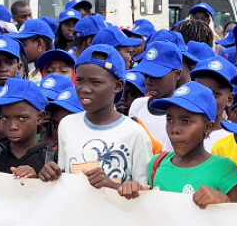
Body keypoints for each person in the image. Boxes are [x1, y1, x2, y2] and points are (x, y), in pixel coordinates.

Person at [38, 45, 152, 188]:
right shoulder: (67, 125)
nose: (85, 89)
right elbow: (65, 175)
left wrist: (112, 186)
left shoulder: (135, 133)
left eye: (95, 82)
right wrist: (49, 174)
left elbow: (145, 192)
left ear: (117, 86)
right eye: (79, 80)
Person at [118, 81, 237, 206]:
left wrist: (224, 201)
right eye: (169, 120)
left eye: (186, 121)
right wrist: (132, 190)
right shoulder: (156, 164)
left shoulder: (224, 169)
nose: (174, 129)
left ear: (208, 127)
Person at [0, 78, 56, 177]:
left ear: (40, 117)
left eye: (22, 118)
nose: (12, 126)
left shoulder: (51, 159)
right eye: (4, 117)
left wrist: (37, 180)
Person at [129, 42, 184, 153]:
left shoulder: (185, 112)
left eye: (156, 76)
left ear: (177, 74)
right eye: (146, 75)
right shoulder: (137, 105)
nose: (149, 81)